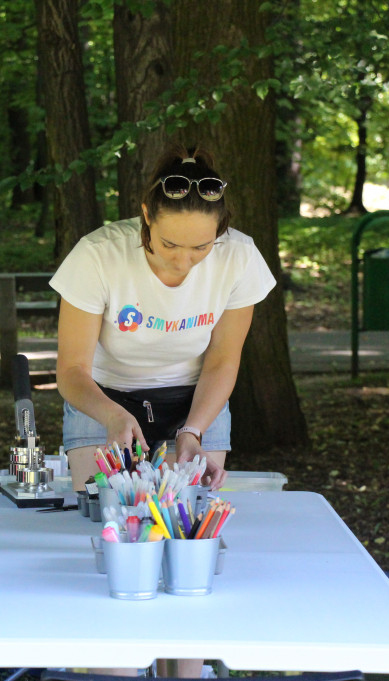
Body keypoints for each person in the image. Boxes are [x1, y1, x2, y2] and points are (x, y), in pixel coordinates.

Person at [50, 143, 276, 494]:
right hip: (103, 399)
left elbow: (223, 361)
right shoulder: (98, 255)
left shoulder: (240, 257)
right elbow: (71, 370)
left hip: (197, 402)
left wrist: (193, 431)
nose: (183, 262)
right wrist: (112, 415)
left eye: (201, 247)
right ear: (146, 215)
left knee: (185, 514)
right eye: (169, 244)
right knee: (104, 513)